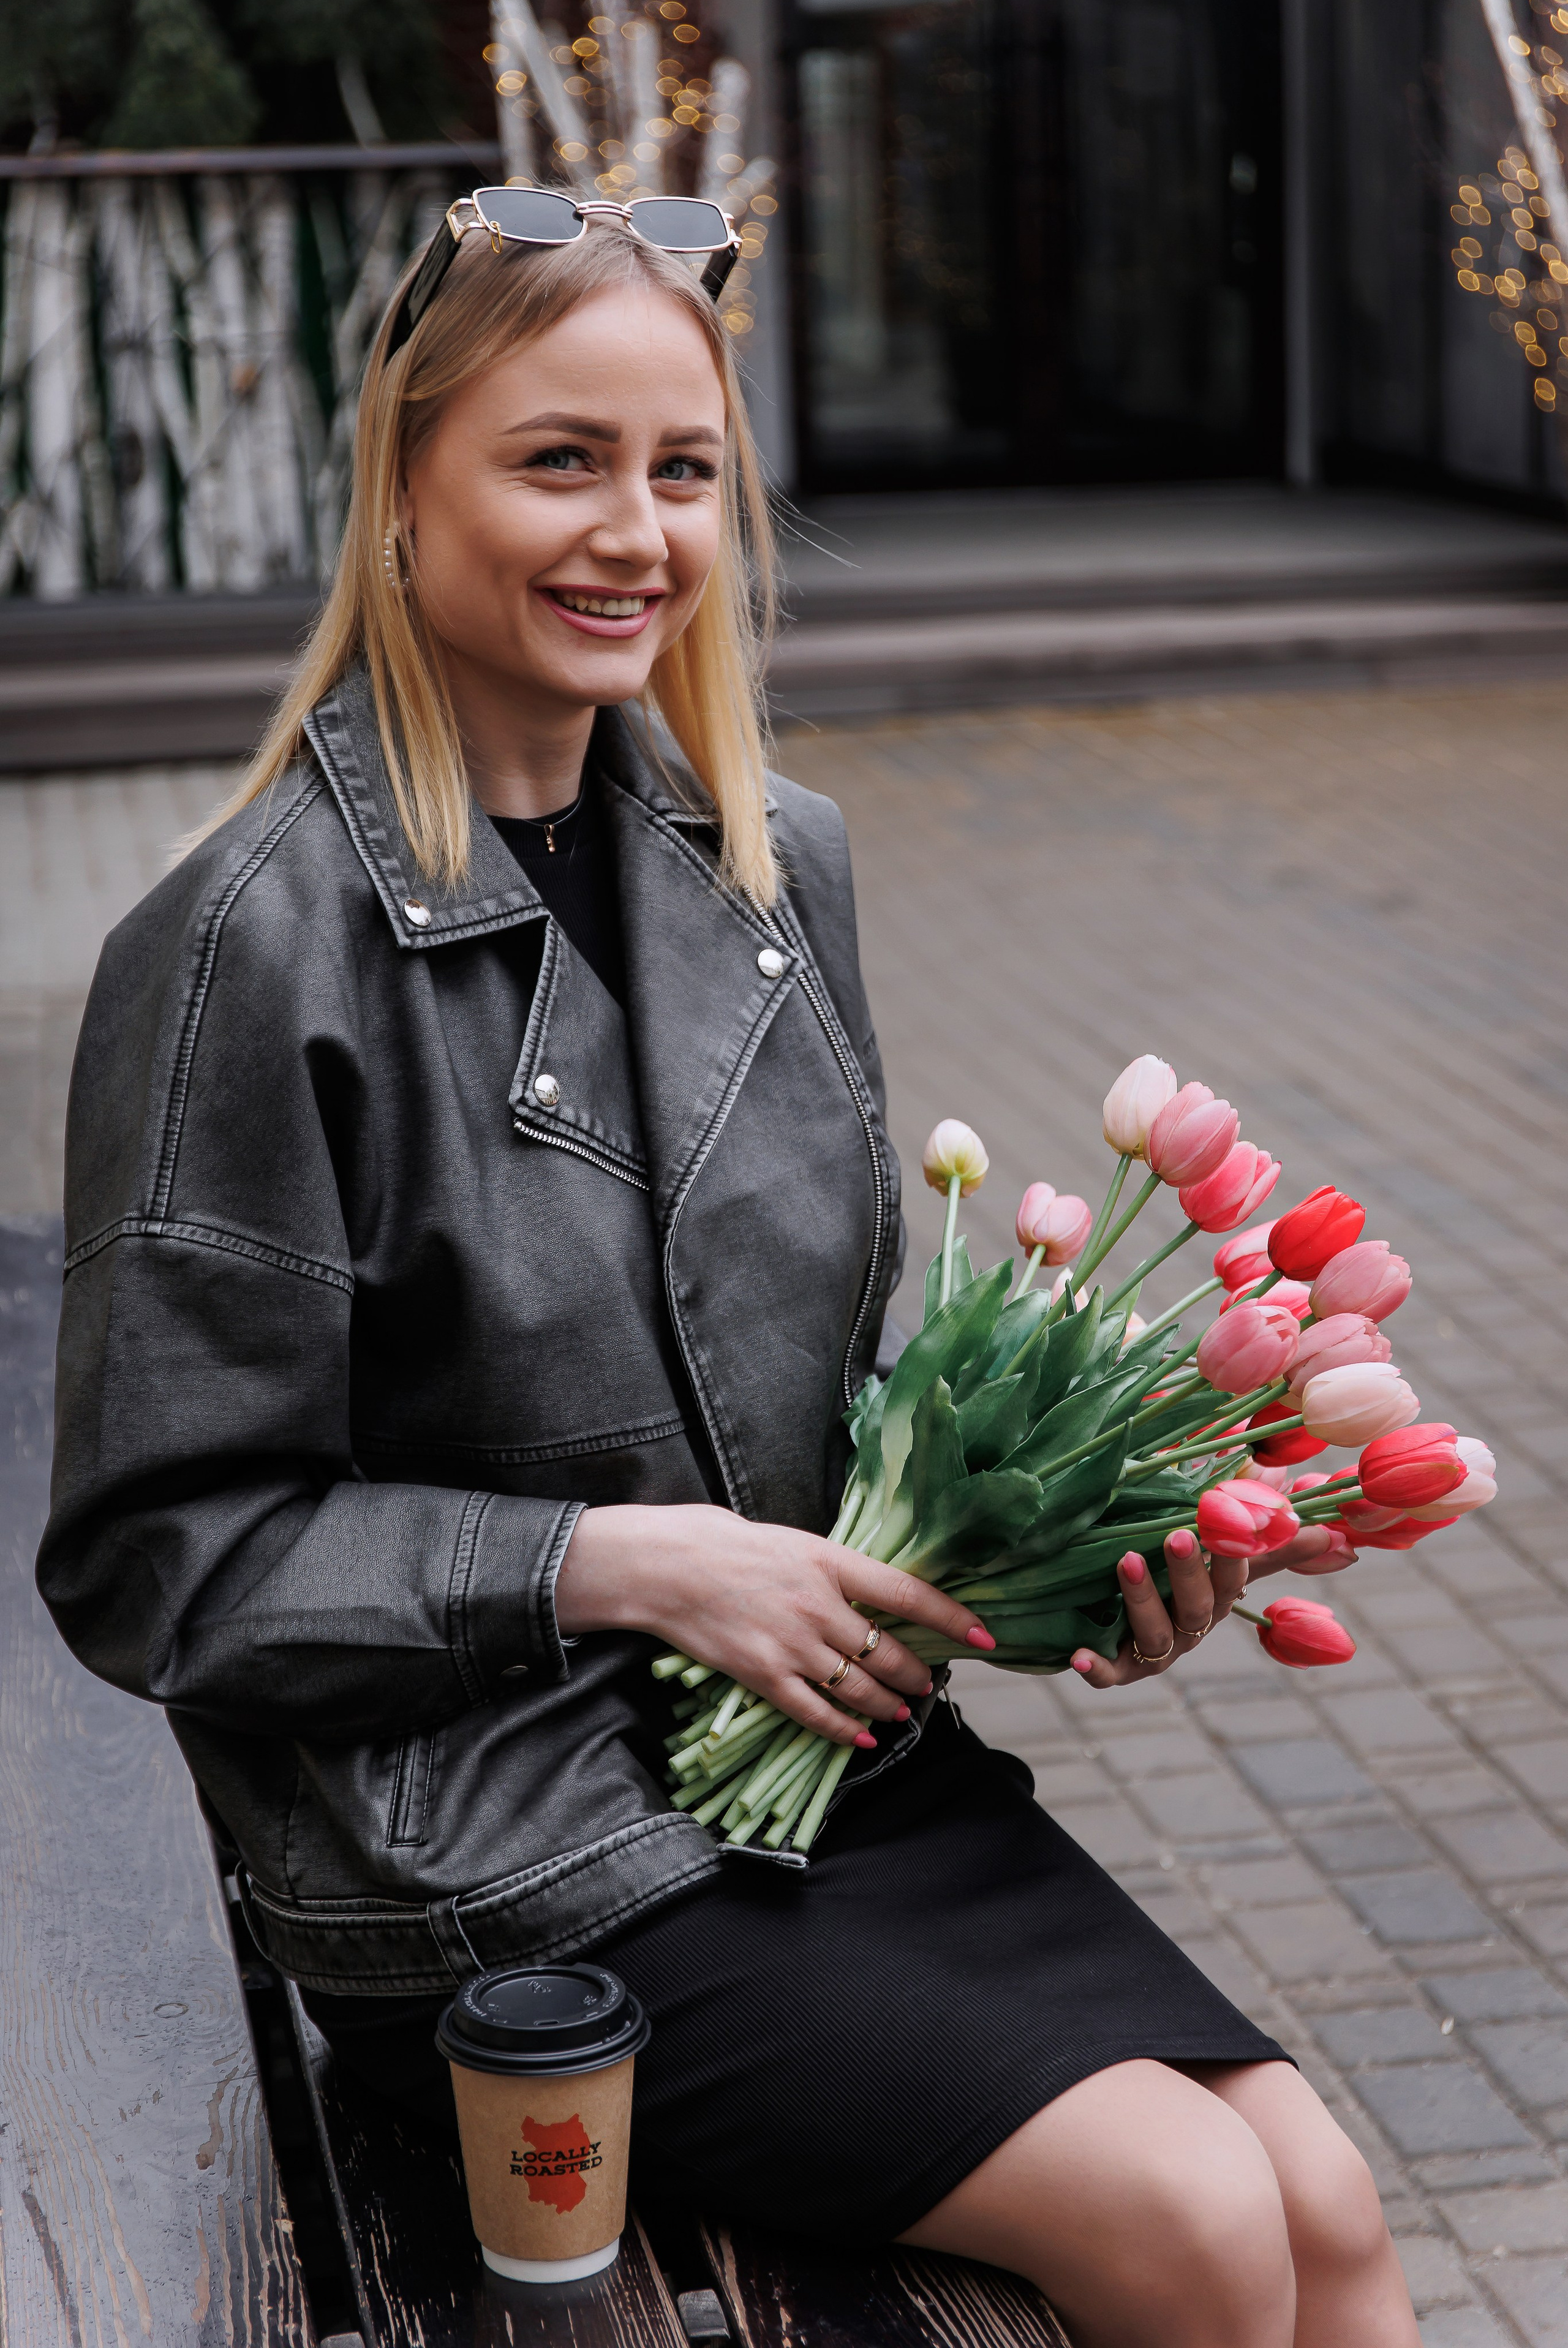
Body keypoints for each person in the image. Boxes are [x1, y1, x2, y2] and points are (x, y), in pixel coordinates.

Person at [38, 202, 1419, 2348]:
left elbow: (802, 1393)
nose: (636, 532)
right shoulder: (246, 946)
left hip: (818, 1772)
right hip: (486, 1858)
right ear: (405, 486)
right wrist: (615, 1564)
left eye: (682, 470)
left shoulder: (770, 861)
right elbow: (160, 1564)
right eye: (559, 460)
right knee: (1193, 2220)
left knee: (1319, 2198)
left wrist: (1078, 1548)